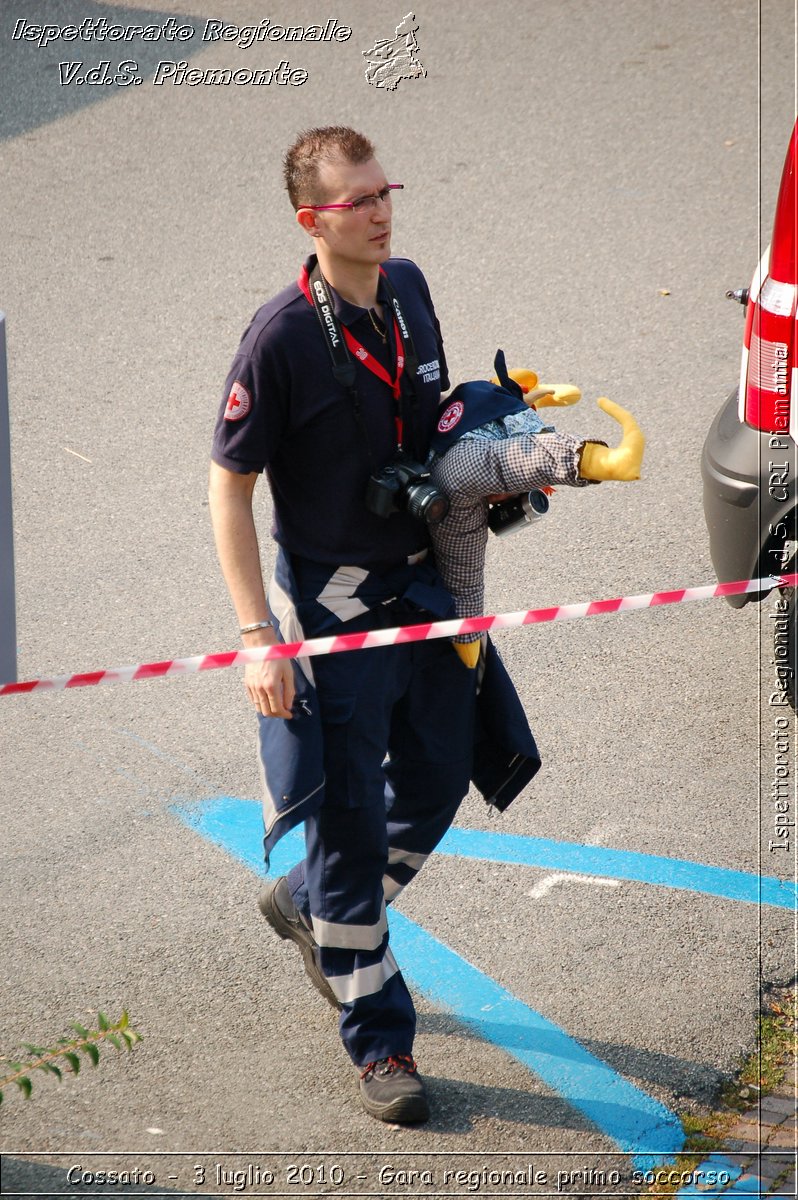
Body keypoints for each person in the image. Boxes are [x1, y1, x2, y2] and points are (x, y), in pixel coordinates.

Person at [209, 127, 530, 1125]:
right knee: (349, 825)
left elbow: (431, 424)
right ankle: (379, 1042)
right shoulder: (281, 338)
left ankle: (313, 902)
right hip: (340, 610)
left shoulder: (410, 288)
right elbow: (229, 489)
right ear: (313, 222)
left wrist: (496, 470)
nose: (383, 211)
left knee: (440, 775)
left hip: (426, 587)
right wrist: (260, 638)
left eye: (386, 190)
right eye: (359, 201)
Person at [426, 353, 645, 666]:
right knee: (498, 464)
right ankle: (601, 461)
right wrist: (598, 462)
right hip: (466, 447)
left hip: (469, 416)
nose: (504, 502)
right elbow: (465, 578)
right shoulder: (465, 477)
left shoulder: (489, 412)